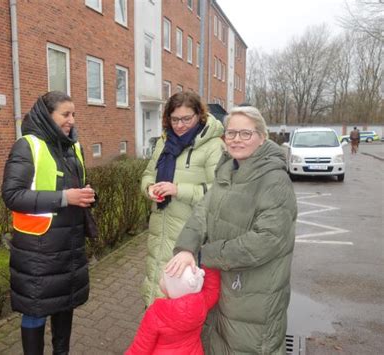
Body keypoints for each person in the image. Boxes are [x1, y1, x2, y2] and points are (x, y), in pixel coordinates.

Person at [165, 106, 297, 354]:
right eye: (231, 133)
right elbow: (202, 212)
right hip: (224, 287)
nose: (236, 139)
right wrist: (185, 249)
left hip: (254, 298)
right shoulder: (229, 169)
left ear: (262, 138)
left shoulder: (274, 180)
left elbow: (267, 241)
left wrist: (206, 254)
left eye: (245, 133)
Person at [2, 91, 96, 355]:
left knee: (65, 304)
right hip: (38, 249)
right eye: (65, 114)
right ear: (48, 115)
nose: (72, 120)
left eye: (74, 114)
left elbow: (77, 187)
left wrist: (88, 195)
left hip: (69, 245)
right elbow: (12, 195)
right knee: (35, 310)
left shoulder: (73, 146)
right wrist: (65, 197)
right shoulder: (27, 145)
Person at [140, 91, 224, 306]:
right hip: (160, 228)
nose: (179, 125)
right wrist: (149, 188)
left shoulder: (213, 146)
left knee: (181, 301)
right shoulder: (164, 142)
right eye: (174, 119)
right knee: (155, 288)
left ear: (200, 116)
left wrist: (177, 190)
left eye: (187, 119)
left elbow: (219, 193)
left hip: (189, 236)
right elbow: (149, 174)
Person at [125, 266, 221, 355]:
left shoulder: (156, 313)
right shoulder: (202, 303)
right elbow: (212, 289)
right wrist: (209, 263)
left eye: (164, 279)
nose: (161, 280)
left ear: (173, 289)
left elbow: (141, 346)